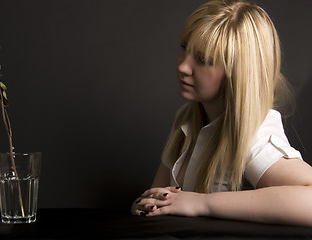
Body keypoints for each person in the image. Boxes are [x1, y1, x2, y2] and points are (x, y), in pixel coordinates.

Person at [131, 0, 312, 226]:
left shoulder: (255, 136)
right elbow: (157, 196)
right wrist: (146, 204)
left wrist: (201, 203)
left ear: (238, 73)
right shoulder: (188, 119)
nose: (183, 67)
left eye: (203, 60)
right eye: (184, 48)